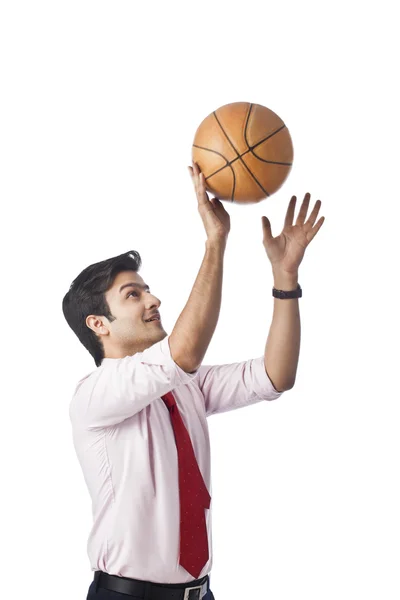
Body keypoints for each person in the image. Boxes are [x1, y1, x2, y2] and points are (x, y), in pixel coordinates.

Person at [62, 162, 324, 599]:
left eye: (147, 289)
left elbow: (276, 375)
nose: (154, 299)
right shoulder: (93, 396)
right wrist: (216, 241)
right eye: (134, 295)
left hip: (200, 593)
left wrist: (285, 279)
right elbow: (183, 352)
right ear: (98, 324)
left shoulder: (183, 386)